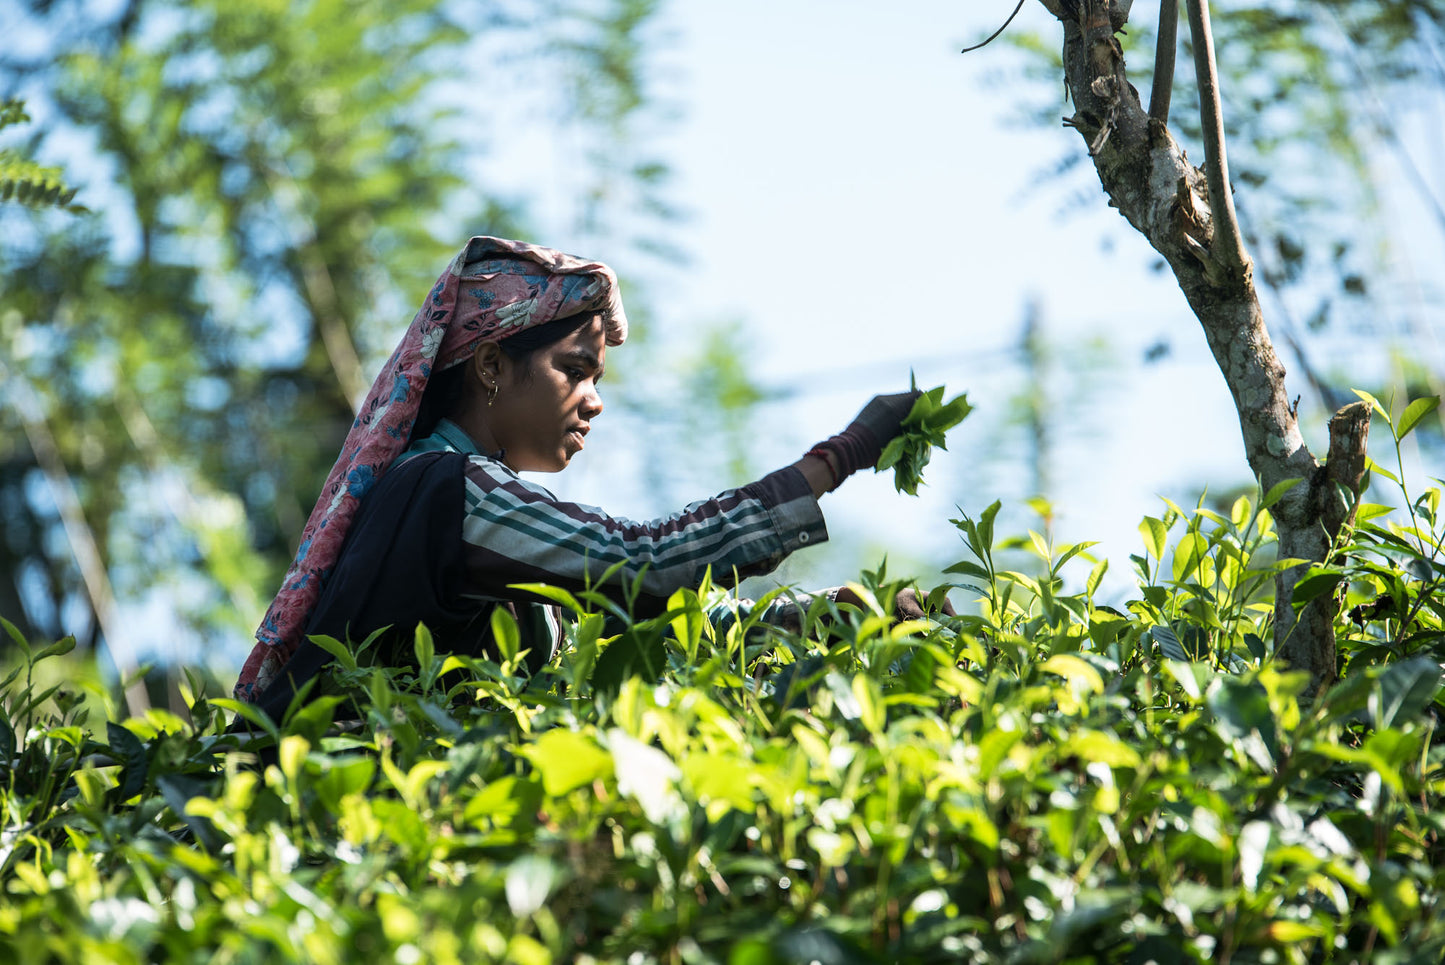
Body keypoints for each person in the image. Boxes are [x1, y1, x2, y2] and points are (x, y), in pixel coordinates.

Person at [234, 236, 937, 720]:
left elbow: (615, 638)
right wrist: (842, 454)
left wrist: (818, 617)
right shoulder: (446, 489)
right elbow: (643, 565)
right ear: (489, 366)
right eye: (573, 370)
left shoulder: (463, 508)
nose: (594, 398)